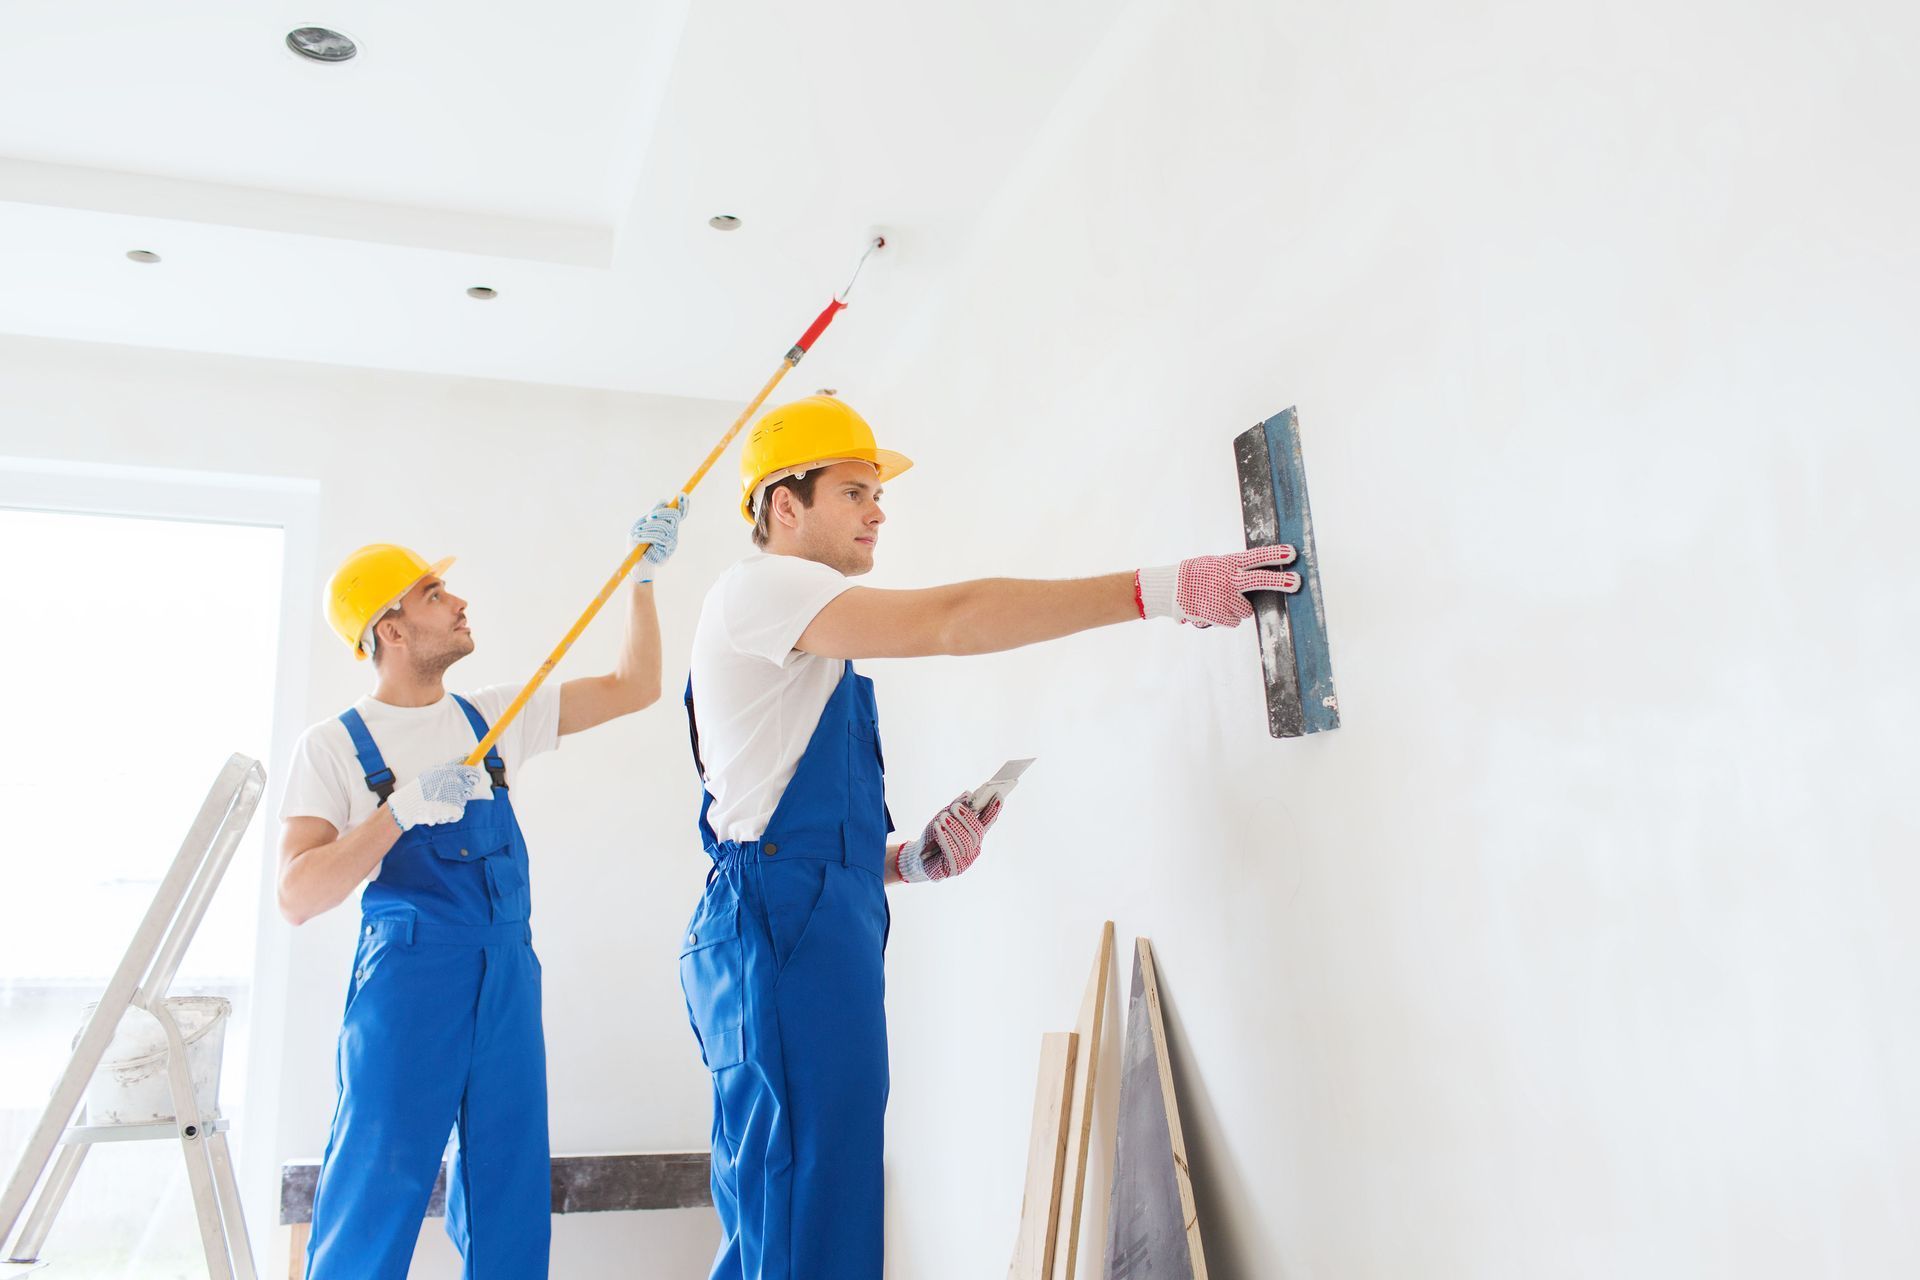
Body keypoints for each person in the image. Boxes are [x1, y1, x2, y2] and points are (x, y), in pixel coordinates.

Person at [680, 396, 1298, 1279]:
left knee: (824, 1196)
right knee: (798, 1206)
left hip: (807, 921)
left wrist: (904, 861)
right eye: (855, 491)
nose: (878, 510)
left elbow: (767, 809)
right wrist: (1158, 590)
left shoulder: (806, 633)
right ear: (786, 504)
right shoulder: (763, 590)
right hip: (777, 933)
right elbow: (954, 618)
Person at [278, 498, 687, 1279]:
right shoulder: (333, 747)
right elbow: (298, 895)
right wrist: (398, 813)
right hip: (408, 982)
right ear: (390, 630)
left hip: (506, 973)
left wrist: (643, 581)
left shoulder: (492, 716)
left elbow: (635, 686)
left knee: (509, 1190)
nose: (459, 602)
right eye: (434, 594)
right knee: (376, 1186)